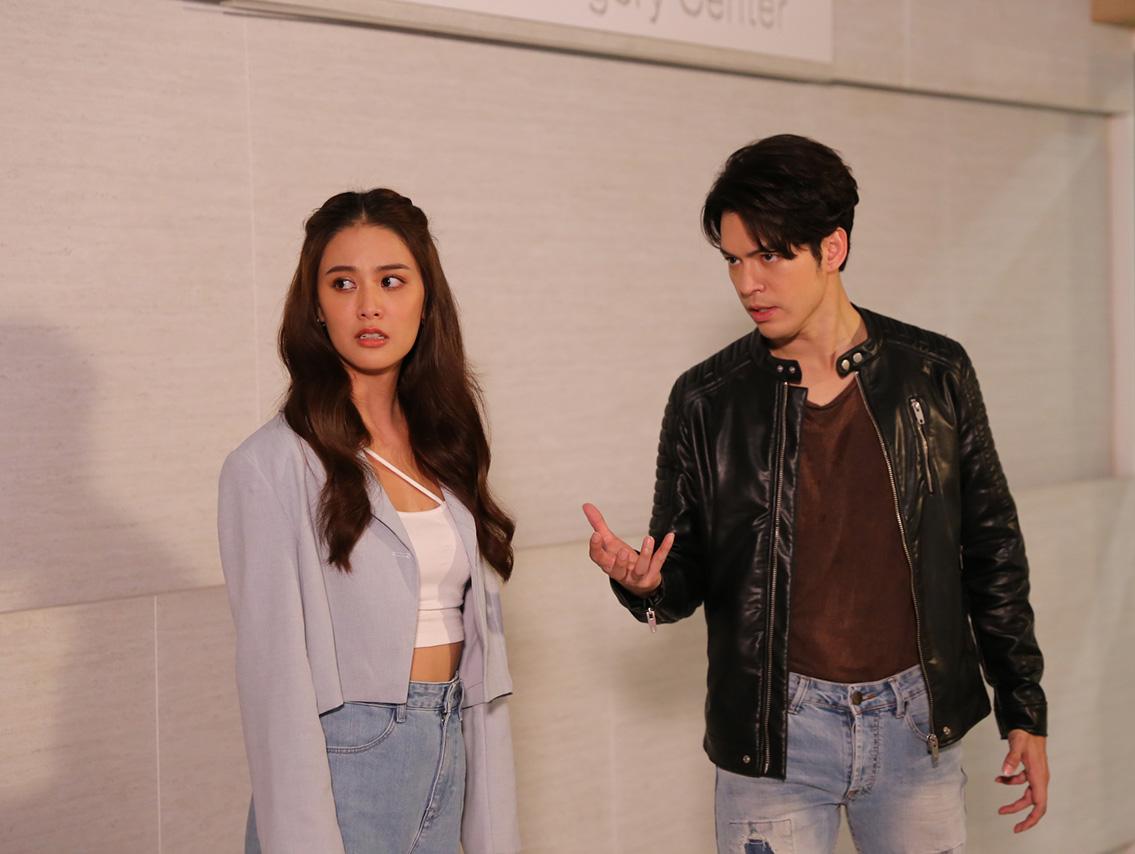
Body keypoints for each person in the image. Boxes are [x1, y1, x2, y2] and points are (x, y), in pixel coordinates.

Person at [583, 135, 1048, 853]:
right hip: (774, 737)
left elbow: (992, 551)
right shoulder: (707, 400)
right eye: (733, 260)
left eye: (770, 256)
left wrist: (1024, 707)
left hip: (916, 724)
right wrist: (644, 584)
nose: (747, 283)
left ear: (833, 248)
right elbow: (682, 574)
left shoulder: (935, 374)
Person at [218, 189, 519, 854]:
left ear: (425, 299)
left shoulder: (447, 446)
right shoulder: (269, 466)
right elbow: (274, 683)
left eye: (391, 280)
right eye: (342, 283)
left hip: (451, 742)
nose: (368, 305)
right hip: (348, 760)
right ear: (316, 307)